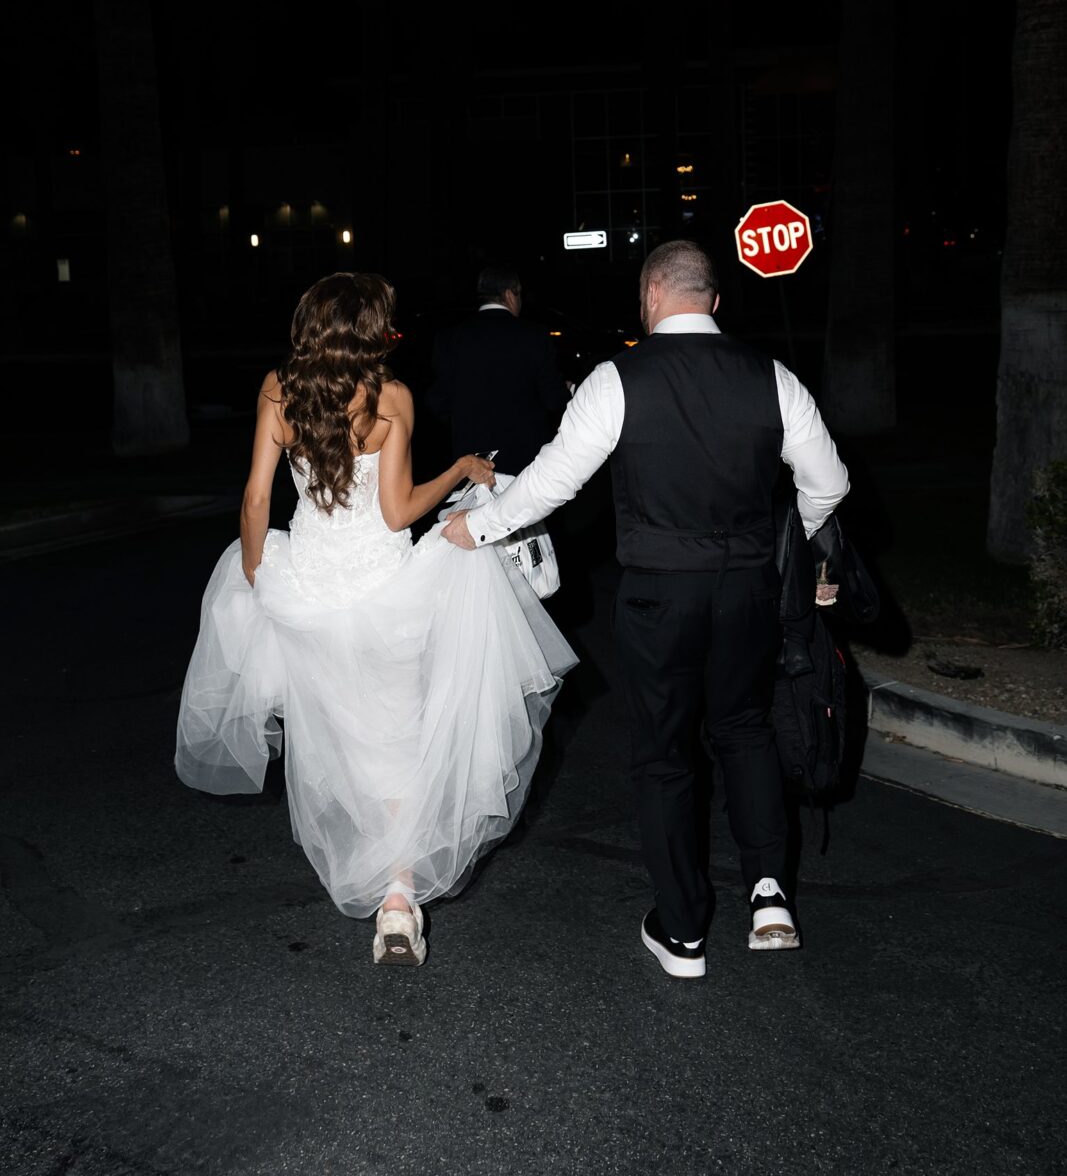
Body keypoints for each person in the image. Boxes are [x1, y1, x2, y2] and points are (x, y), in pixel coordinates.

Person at [443, 239, 849, 980]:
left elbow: (552, 483)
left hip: (660, 592)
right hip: (746, 589)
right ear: (714, 300)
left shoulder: (615, 379)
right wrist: (793, 537)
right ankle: (768, 893)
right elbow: (826, 483)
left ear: (649, 296)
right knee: (744, 729)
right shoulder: (772, 377)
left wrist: (478, 524)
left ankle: (685, 933)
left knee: (664, 756)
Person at [176, 272, 575, 967]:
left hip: (309, 587)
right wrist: (457, 470)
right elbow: (397, 513)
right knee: (396, 739)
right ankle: (398, 898)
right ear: (371, 331)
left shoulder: (278, 389)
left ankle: (386, 882)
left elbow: (252, 501)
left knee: (343, 742)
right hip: (386, 591)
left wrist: (260, 579)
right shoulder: (390, 396)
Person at [426, 265, 571, 476]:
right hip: (524, 464)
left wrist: (465, 421)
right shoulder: (534, 336)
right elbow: (553, 399)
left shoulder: (449, 339)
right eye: (519, 294)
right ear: (510, 295)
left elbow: (437, 400)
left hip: (472, 464)